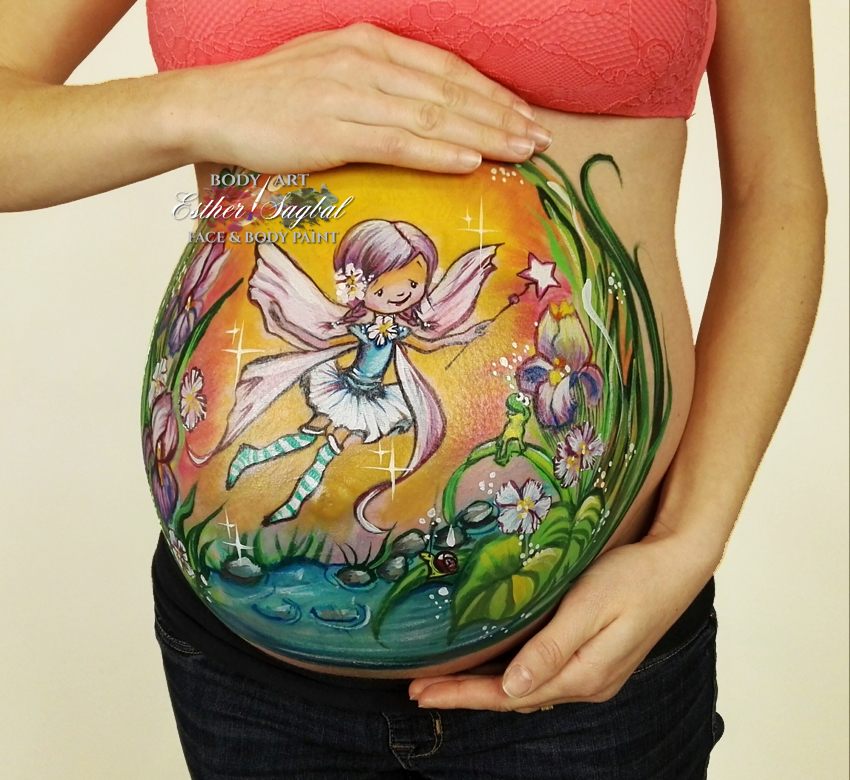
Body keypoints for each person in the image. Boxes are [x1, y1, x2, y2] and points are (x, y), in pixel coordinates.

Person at [0, 1, 827, 779]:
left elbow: (779, 192)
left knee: (347, 442)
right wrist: (201, 103)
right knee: (314, 443)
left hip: (586, 672)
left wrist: (687, 541)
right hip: (242, 683)